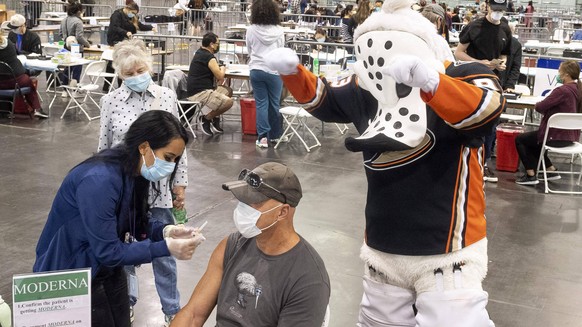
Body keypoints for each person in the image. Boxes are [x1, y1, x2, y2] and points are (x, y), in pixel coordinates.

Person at [265, 0, 504, 324]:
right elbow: (327, 99)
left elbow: (487, 108)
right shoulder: (369, 88)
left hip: (447, 249)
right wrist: (294, 73)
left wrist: (434, 84)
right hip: (383, 245)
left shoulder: (463, 73)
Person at [34, 110, 204, 327]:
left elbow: (132, 221)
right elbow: (107, 251)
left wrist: (166, 231)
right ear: (144, 147)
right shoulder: (99, 180)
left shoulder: (132, 171)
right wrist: (166, 248)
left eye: (175, 160)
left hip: (105, 271)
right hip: (69, 277)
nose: (170, 166)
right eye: (168, 157)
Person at [171, 162, 330, 326]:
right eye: (242, 200)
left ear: (282, 212)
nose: (242, 208)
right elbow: (193, 314)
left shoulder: (307, 279)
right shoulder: (231, 246)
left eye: (252, 203)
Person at [98, 38, 188, 325]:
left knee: (165, 251)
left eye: (140, 70)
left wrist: (180, 184)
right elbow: (104, 147)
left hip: (159, 190)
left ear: (149, 67)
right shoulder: (109, 101)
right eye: (129, 73)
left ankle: (172, 309)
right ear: (120, 74)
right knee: (125, 250)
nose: (136, 76)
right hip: (124, 188)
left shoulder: (166, 96)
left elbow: (180, 146)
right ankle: (128, 302)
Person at [455, 0, 512, 183]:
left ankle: (485, 162)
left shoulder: (505, 29)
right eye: (495, 9)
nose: (497, 13)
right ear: (488, 6)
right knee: (470, 121)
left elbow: (505, 52)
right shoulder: (474, 26)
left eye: (501, 10)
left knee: (491, 124)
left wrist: (501, 62)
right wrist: (481, 63)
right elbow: (459, 53)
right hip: (473, 82)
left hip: (494, 83)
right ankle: (464, 159)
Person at [515, 60, 582, 185]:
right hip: (572, 137)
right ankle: (550, 169)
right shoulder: (578, 90)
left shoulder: (562, 91)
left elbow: (540, 107)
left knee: (521, 139)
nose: (558, 74)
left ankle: (531, 175)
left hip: (555, 137)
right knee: (535, 141)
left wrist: (538, 103)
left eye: (559, 71)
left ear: (566, 74)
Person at [246, 0, 286, 148]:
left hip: (256, 69)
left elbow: (249, 49)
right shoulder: (279, 30)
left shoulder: (251, 29)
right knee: (274, 104)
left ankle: (262, 137)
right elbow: (281, 49)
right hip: (274, 71)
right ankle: (275, 135)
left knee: (261, 104)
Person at [186, 32, 234, 136]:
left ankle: (214, 118)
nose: (218, 46)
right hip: (200, 93)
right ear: (211, 44)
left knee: (228, 91)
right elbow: (220, 77)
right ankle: (206, 118)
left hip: (197, 89)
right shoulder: (209, 57)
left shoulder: (199, 53)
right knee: (229, 102)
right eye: (217, 43)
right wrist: (223, 68)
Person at [105, 1, 155, 92]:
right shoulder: (116, 15)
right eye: (132, 13)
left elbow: (139, 25)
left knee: (125, 63)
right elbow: (114, 27)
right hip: (115, 41)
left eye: (135, 14)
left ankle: (122, 85)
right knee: (113, 64)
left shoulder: (132, 17)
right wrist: (125, 32)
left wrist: (150, 27)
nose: (133, 15)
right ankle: (106, 85)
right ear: (127, 9)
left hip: (126, 42)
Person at [0, 33, 48, 118]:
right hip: (15, 81)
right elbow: (18, 67)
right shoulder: (9, 44)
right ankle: (37, 109)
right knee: (29, 81)